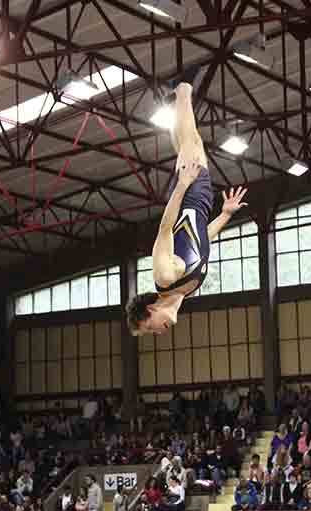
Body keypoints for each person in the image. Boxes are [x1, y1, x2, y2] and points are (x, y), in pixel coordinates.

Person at [125, 79, 247, 336]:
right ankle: (175, 104)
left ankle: (182, 91)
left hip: (188, 196)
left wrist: (182, 185)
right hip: (201, 205)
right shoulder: (186, 290)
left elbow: (166, 229)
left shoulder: (165, 276)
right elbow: (201, 240)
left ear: (151, 309)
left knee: (191, 140)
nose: (158, 332)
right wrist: (225, 215)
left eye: (150, 328)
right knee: (188, 143)